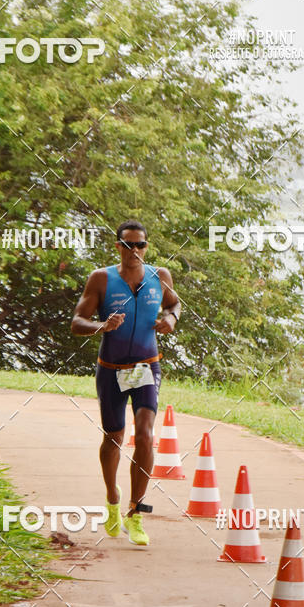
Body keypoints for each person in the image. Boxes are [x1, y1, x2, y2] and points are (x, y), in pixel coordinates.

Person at [71, 219, 181, 546]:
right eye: (128, 244)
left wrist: (171, 319)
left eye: (141, 245)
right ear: (118, 246)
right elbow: (77, 322)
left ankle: (136, 513)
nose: (135, 250)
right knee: (114, 437)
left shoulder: (159, 277)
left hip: (147, 367)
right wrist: (102, 326)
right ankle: (112, 499)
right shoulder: (101, 279)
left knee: (146, 436)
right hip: (111, 369)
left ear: (147, 247)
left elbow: (174, 303)